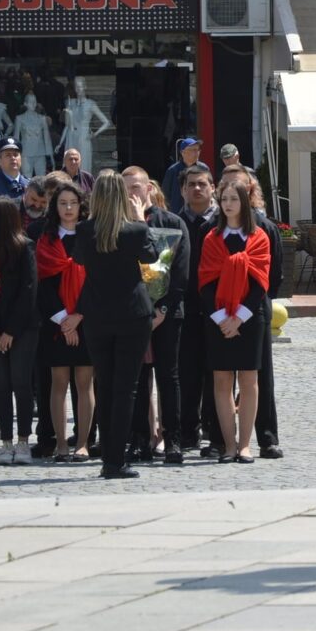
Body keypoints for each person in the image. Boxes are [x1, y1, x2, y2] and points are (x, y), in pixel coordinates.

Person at [73, 172, 158, 478]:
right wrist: (139, 219)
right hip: (132, 314)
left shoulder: (85, 229)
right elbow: (152, 255)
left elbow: (80, 260)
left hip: (97, 314)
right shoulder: (134, 230)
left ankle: (110, 457)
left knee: (104, 385)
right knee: (126, 388)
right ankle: (115, 459)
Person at [198, 179, 271, 463]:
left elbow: (260, 283)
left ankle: (245, 445)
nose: (228, 204)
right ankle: (228, 444)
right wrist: (221, 319)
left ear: (245, 203)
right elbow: (204, 282)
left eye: (234, 199)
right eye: (224, 199)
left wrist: (239, 317)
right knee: (222, 380)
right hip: (218, 320)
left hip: (250, 319)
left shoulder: (259, 238)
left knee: (250, 380)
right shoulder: (211, 239)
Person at [121, 166, 190, 465]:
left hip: (167, 314)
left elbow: (181, 272)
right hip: (133, 315)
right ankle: (139, 440)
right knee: (136, 379)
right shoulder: (120, 225)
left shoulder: (171, 222)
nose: (131, 194)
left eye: (136, 187)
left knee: (168, 376)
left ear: (149, 188)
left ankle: (173, 439)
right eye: (126, 189)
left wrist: (161, 310)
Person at [0, 198, 39, 465]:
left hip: (22, 328)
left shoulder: (25, 248)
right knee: (1, 384)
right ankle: (6, 442)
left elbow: (29, 291)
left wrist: (11, 330)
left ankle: (23, 441)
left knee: (21, 383)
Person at [36, 183, 93, 462]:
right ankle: (60, 443)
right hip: (56, 322)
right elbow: (43, 284)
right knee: (58, 382)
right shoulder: (47, 240)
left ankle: (82, 442)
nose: (68, 208)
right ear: (55, 207)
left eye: (73, 203)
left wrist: (78, 316)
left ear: (81, 206)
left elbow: (97, 281)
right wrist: (63, 320)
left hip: (86, 320)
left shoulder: (91, 236)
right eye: (62, 203)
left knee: (85, 383)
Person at [177, 163, 217, 449]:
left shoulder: (225, 221)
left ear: (212, 187)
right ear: (182, 190)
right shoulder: (174, 223)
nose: (197, 189)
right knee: (187, 373)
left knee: (218, 373)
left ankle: (216, 431)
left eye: (202, 184)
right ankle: (187, 430)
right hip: (185, 309)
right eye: (191, 184)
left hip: (219, 309)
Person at [60, 77, 111, 174]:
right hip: (71, 135)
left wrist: (95, 134)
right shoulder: (71, 103)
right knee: (69, 163)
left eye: (81, 86)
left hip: (83, 136)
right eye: (76, 86)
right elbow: (67, 124)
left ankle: (84, 185)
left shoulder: (90, 104)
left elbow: (106, 122)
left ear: (85, 86)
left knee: (83, 164)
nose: (79, 89)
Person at [13, 94, 54, 177]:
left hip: (40, 151)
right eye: (31, 102)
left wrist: (50, 154)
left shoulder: (42, 118)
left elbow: (46, 137)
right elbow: (16, 138)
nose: (33, 104)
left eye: (34, 102)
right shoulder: (20, 118)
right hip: (26, 152)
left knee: (41, 178)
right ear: (25, 103)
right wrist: (15, 154)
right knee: (26, 178)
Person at [161, 137, 203, 214]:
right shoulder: (173, 170)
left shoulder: (203, 169)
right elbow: (165, 194)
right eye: (192, 150)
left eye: (197, 150)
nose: (196, 153)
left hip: (199, 212)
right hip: (178, 213)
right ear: (182, 152)